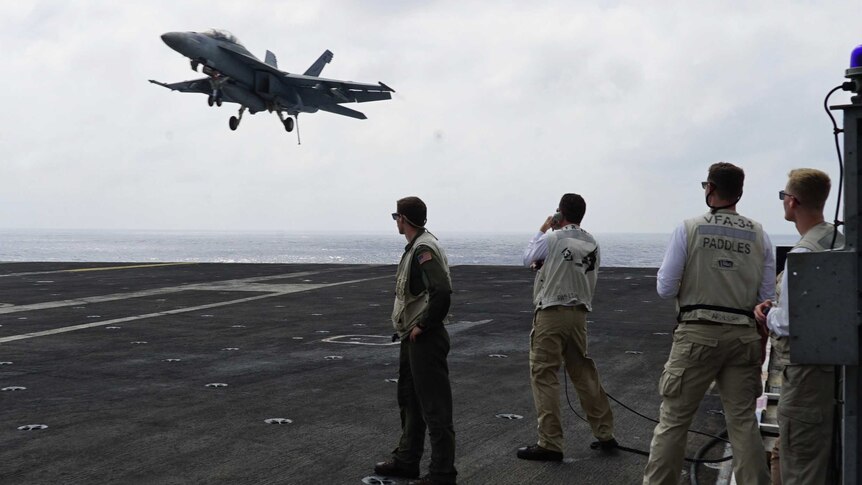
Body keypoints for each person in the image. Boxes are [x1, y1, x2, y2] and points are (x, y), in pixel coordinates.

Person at [643, 162, 774, 485]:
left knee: (674, 421)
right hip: (743, 337)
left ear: (711, 189)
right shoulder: (760, 234)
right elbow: (767, 297)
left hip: (697, 335)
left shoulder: (688, 228)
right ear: (739, 193)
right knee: (743, 422)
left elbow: (665, 288)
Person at [754, 168, 843, 485]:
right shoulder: (837, 241)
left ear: (792, 201)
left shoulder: (803, 254)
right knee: (786, 450)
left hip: (806, 376)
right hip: (834, 369)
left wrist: (767, 313)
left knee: (800, 465)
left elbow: (792, 321)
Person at [517, 193, 616, 462]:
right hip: (579, 315)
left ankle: (550, 442)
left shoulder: (553, 238)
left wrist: (544, 227)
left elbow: (527, 258)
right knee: (584, 373)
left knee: (544, 374)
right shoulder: (592, 242)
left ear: (560, 214)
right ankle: (605, 432)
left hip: (551, 314)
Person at [373, 196, 457, 485]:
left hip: (425, 338)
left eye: (396, 216)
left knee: (434, 406)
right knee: (410, 399)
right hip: (412, 337)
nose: (396, 221)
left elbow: (442, 291)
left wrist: (424, 324)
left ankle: (442, 473)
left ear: (404, 219)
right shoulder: (417, 246)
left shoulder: (423, 249)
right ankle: (407, 459)